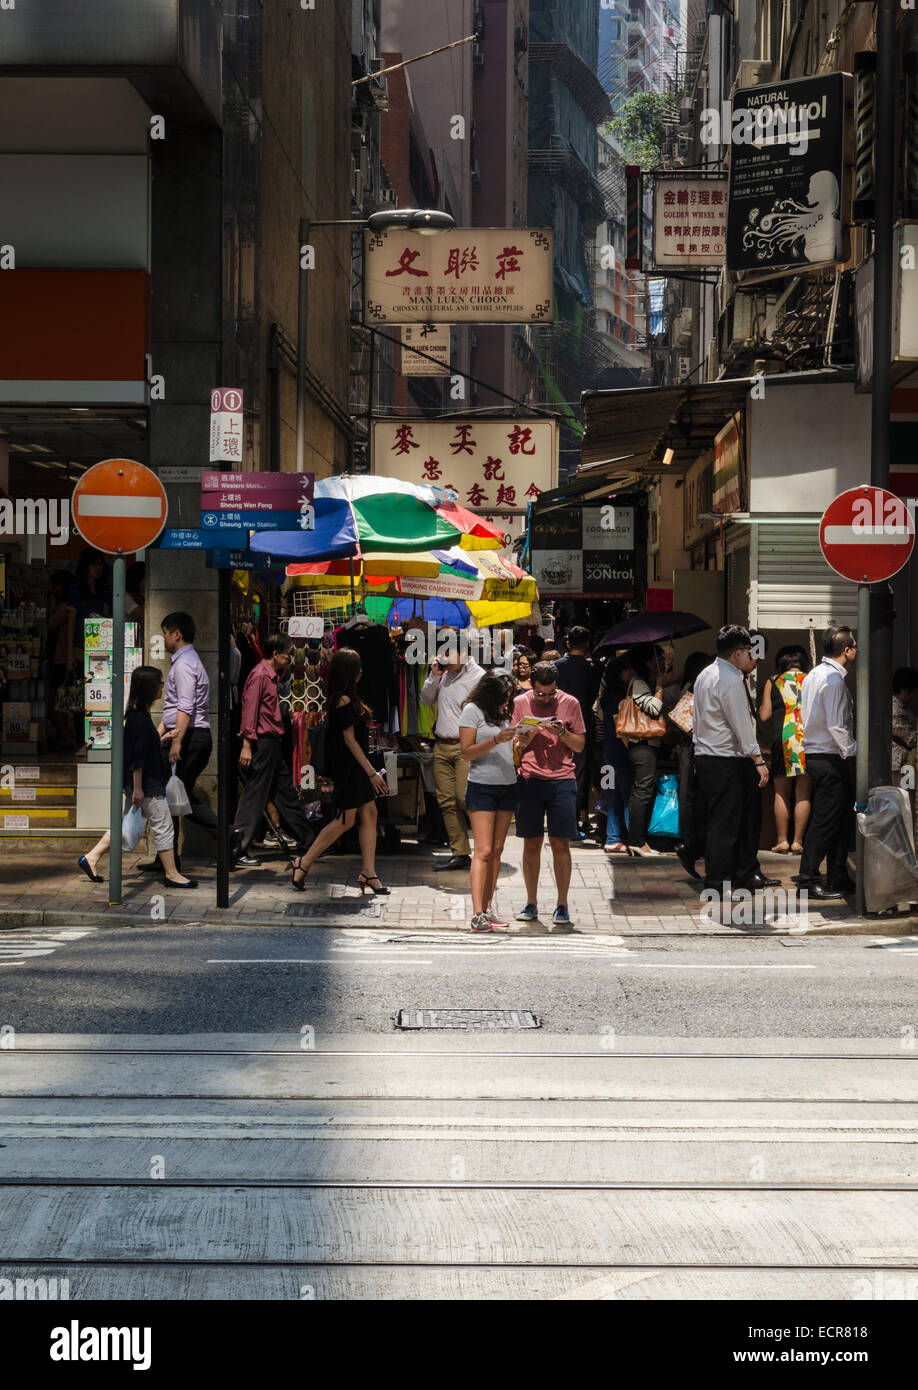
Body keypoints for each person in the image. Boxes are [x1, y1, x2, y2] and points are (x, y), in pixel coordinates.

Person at [77, 666, 196, 890]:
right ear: (149, 687)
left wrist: (163, 737)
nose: (162, 687)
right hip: (147, 784)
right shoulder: (139, 718)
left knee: (125, 829)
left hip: (142, 783)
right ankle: (172, 873)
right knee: (164, 827)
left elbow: (142, 749)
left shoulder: (136, 715)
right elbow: (137, 758)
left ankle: (91, 858)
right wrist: (139, 789)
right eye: (159, 683)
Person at [291, 648, 389, 893]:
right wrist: (371, 772)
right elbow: (350, 741)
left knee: (369, 814)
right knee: (345, 820)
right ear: (349, 672)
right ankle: (303, 862)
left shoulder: (344, 697)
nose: (362, 671)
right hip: (350, 769)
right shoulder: (342, 700)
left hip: (355, 768)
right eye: (358, 667)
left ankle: (369, 872)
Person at [692, 625, 770, 907]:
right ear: (738, 653)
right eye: (748, 651)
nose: (750, 655)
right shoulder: (730, 679)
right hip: (725, 759)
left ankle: (719, 881)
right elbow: (741, 724)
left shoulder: (705, 674)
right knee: (726, 826)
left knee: (718, 823)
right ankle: (717, 884)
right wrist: (758, 759)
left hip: (706, 757)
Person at [139, 612, 216, 874]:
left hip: (189, 736)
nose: (164, 638)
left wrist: (177, 742)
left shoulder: (184, 665)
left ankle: (229, 835)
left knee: (173, 796)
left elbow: (185, 706)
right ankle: (167, 858)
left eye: (165, 633)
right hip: (186, 734)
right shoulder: (186, 662)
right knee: (171, 797)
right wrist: (158, 736)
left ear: (176, 634)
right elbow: (174, 710)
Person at [510, 660, 586, 927]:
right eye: (540, 693)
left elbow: (580, 745)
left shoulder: (570, 703)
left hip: (562, 780)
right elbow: (515, 743)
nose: (545, 698)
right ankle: (531, 902)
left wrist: (563, 733)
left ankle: (562, 904)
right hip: (530, 779)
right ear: (532, 685)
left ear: (557, 687)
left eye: (550, 693)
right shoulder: (521, 703)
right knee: (530, 843)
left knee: (560, 844)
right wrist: (524, 739)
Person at [230, 634, 315, 869]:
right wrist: (247, 744)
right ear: (275, 654)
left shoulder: (271, 676)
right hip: (262, 744)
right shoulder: (259, 675)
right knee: (254, 797)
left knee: (286, 793)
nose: (290, 657)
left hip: (273, 743)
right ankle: (237, 848)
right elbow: (249, 710)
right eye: (287, 652)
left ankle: (309, 840)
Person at [798, 624, 858, 900]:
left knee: (838, 820)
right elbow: (837, 725)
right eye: (854, 646)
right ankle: (808, 879)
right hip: (831, 757)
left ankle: (837, 876)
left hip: (817, 755)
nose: (856, 650)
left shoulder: (814, 675)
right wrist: (854, 751)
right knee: (825, 822)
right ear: (846, 650)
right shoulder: (833, 681)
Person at [459, 673, 520, 933]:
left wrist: (519, 742)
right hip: (482, 786)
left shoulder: (504, 712)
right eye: (503, 698)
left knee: (497, 850)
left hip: (508, 784)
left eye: (508, 698)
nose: (506, 703)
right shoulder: (472, 710)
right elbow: (466, 752)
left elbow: (510, 751)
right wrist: (496, 739)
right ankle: (476, 914)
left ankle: (487, 907)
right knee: (482, 851)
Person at [419, 633, 485, 871]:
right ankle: (460, 853)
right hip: (442, 745)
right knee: (446, 801)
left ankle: (483, 848)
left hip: (465, 746)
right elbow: (426, 700)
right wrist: (433, 676)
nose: (444, 658)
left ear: (464, 652)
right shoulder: (442, 675)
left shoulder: (478, 677)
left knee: (463, 797)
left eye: (448, 653)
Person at [758, 646, 811, 854]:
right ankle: (798, 841)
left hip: (783, 739)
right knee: (803, 791)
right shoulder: (810, 679)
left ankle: (782, 840)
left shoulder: (773, 681)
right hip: (807, 739)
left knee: (781, 791)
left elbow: (764, 716)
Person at [621, 644, 668, 858]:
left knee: (643, 790)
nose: (663, 663)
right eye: (659, 658)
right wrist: (659, 686)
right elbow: (654, 708)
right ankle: (637, 841)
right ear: (648, 662)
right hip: (641, 745)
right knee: (642, 791)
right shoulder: (640, 683)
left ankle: (640, 841)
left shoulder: (642, 682)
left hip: (644, 745)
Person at [555, 626, 601, 839]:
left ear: (567, 643)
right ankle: (574, 821)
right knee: (580, 774)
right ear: (588, 645)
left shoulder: (556, 667)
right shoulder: (594, 668)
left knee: (558, 771)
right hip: (584, 725)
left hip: (558, 725)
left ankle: (563, 820)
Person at [671, 650, 713, 879]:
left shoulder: (692, 685)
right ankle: (692, 844)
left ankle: (692, 845)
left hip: (691, 745)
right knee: (693, 798)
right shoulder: (697, 686)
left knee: (693, 798)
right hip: (694, 745)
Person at [594, 652, 636, 853]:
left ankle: (612, 838)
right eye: (629, 669)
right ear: (620, 673)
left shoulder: (606, 696)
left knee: (615, 794)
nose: (632, 672)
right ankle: (631, 838)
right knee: (627, 794)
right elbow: (619, 725)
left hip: (609, 751)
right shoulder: (616, 697)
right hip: (619, 751)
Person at [46, 570, 76, 749]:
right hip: (65, 659)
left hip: (62, 659)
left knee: (55, 704)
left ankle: (65, 737)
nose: (52, 589)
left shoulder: (65, 607)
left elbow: (50, 624)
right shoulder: (69, 606)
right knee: (62, 704)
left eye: (55, 585)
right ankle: (65, 736)